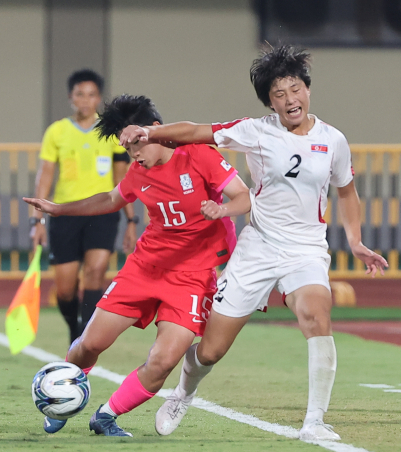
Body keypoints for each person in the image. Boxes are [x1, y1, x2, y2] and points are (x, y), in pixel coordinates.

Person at [119, 44, 388, 441]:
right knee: (210, 350)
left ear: (307, 90)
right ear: (269, 102)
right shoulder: (256, 130)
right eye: (278, 94)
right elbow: (197, 131)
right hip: (258, 247)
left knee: (318, 315)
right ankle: (183, 392)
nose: (289, 99)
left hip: (306, 250)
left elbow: (346, 191)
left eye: (295, 89)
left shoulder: (333, 140)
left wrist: (356, 241)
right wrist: (151, 132)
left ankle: (314, 422)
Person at [24, 94, 251, 436]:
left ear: (155, 131)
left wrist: (222, 210)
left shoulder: (200, 155)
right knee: (89, 344)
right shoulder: (138, 171)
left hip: (192, 278)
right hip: (145, 269)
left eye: (136, 145)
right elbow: (112, 199)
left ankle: (106, 415)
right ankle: (59, 398)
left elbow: (244, 196)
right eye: (126, 149)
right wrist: (59, 209)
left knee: (163, 362)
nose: (133, 155)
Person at [31, 69, 137, 344]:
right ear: (71, 97)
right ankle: (74, 330)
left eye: (91, 95)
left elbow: (121, 178)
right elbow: (45, 176)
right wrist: (38, 221)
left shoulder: (111, 132)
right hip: (65, 214)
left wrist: (131, 221)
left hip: (102, 213)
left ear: (98, 98)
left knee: (96, 272)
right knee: (65, 290)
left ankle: (83, 341)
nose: (85, 100)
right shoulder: (57, 131)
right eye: (80, 94)